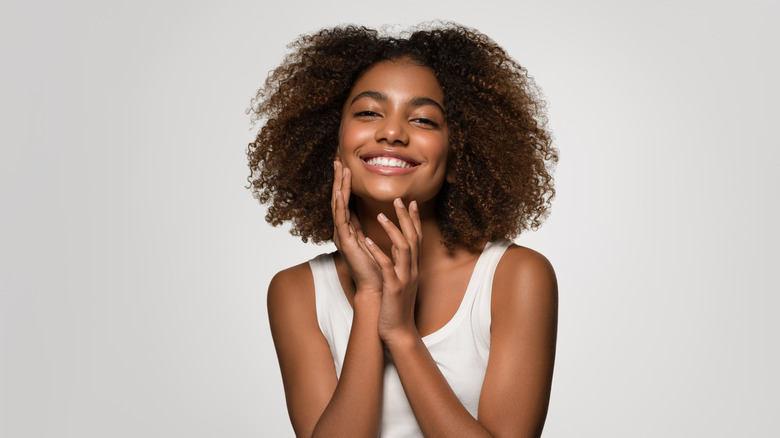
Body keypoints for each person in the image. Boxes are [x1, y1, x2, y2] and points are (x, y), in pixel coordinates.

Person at [247, 23, 559, 438]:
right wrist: (371, 297)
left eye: (424, 120)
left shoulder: (515, 278)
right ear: (332, 144)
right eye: (368, 112)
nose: (392, 132)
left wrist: (401, 335)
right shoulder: (297, 292)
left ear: (457, 154)